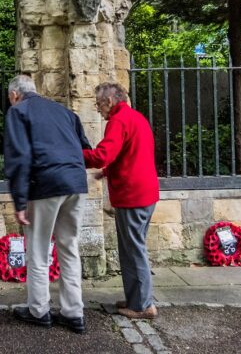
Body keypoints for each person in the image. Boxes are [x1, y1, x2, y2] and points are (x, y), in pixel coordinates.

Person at [3, 74, 90, 334]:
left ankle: (38, 310)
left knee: (39, 249)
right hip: (75, 182)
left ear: (14, 95)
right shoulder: (64, 112)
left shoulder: (18, 112)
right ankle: (74, 312)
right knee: (69, 247)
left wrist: (19, 201)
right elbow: (84, 147)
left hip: (45, 183)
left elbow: (20, 157)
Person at [83, 82, 160, 320]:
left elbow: (103, 155)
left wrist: (72, 154)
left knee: (133, 250)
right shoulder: (135, 117)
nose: (98, 109)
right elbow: (131, 153)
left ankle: (143, 306)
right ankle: (136, 299)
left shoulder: (118, 121)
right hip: (145, 192)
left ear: (110, 101)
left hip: (132, 195)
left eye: (99, 104)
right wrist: (106, 173)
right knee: (131, 248)